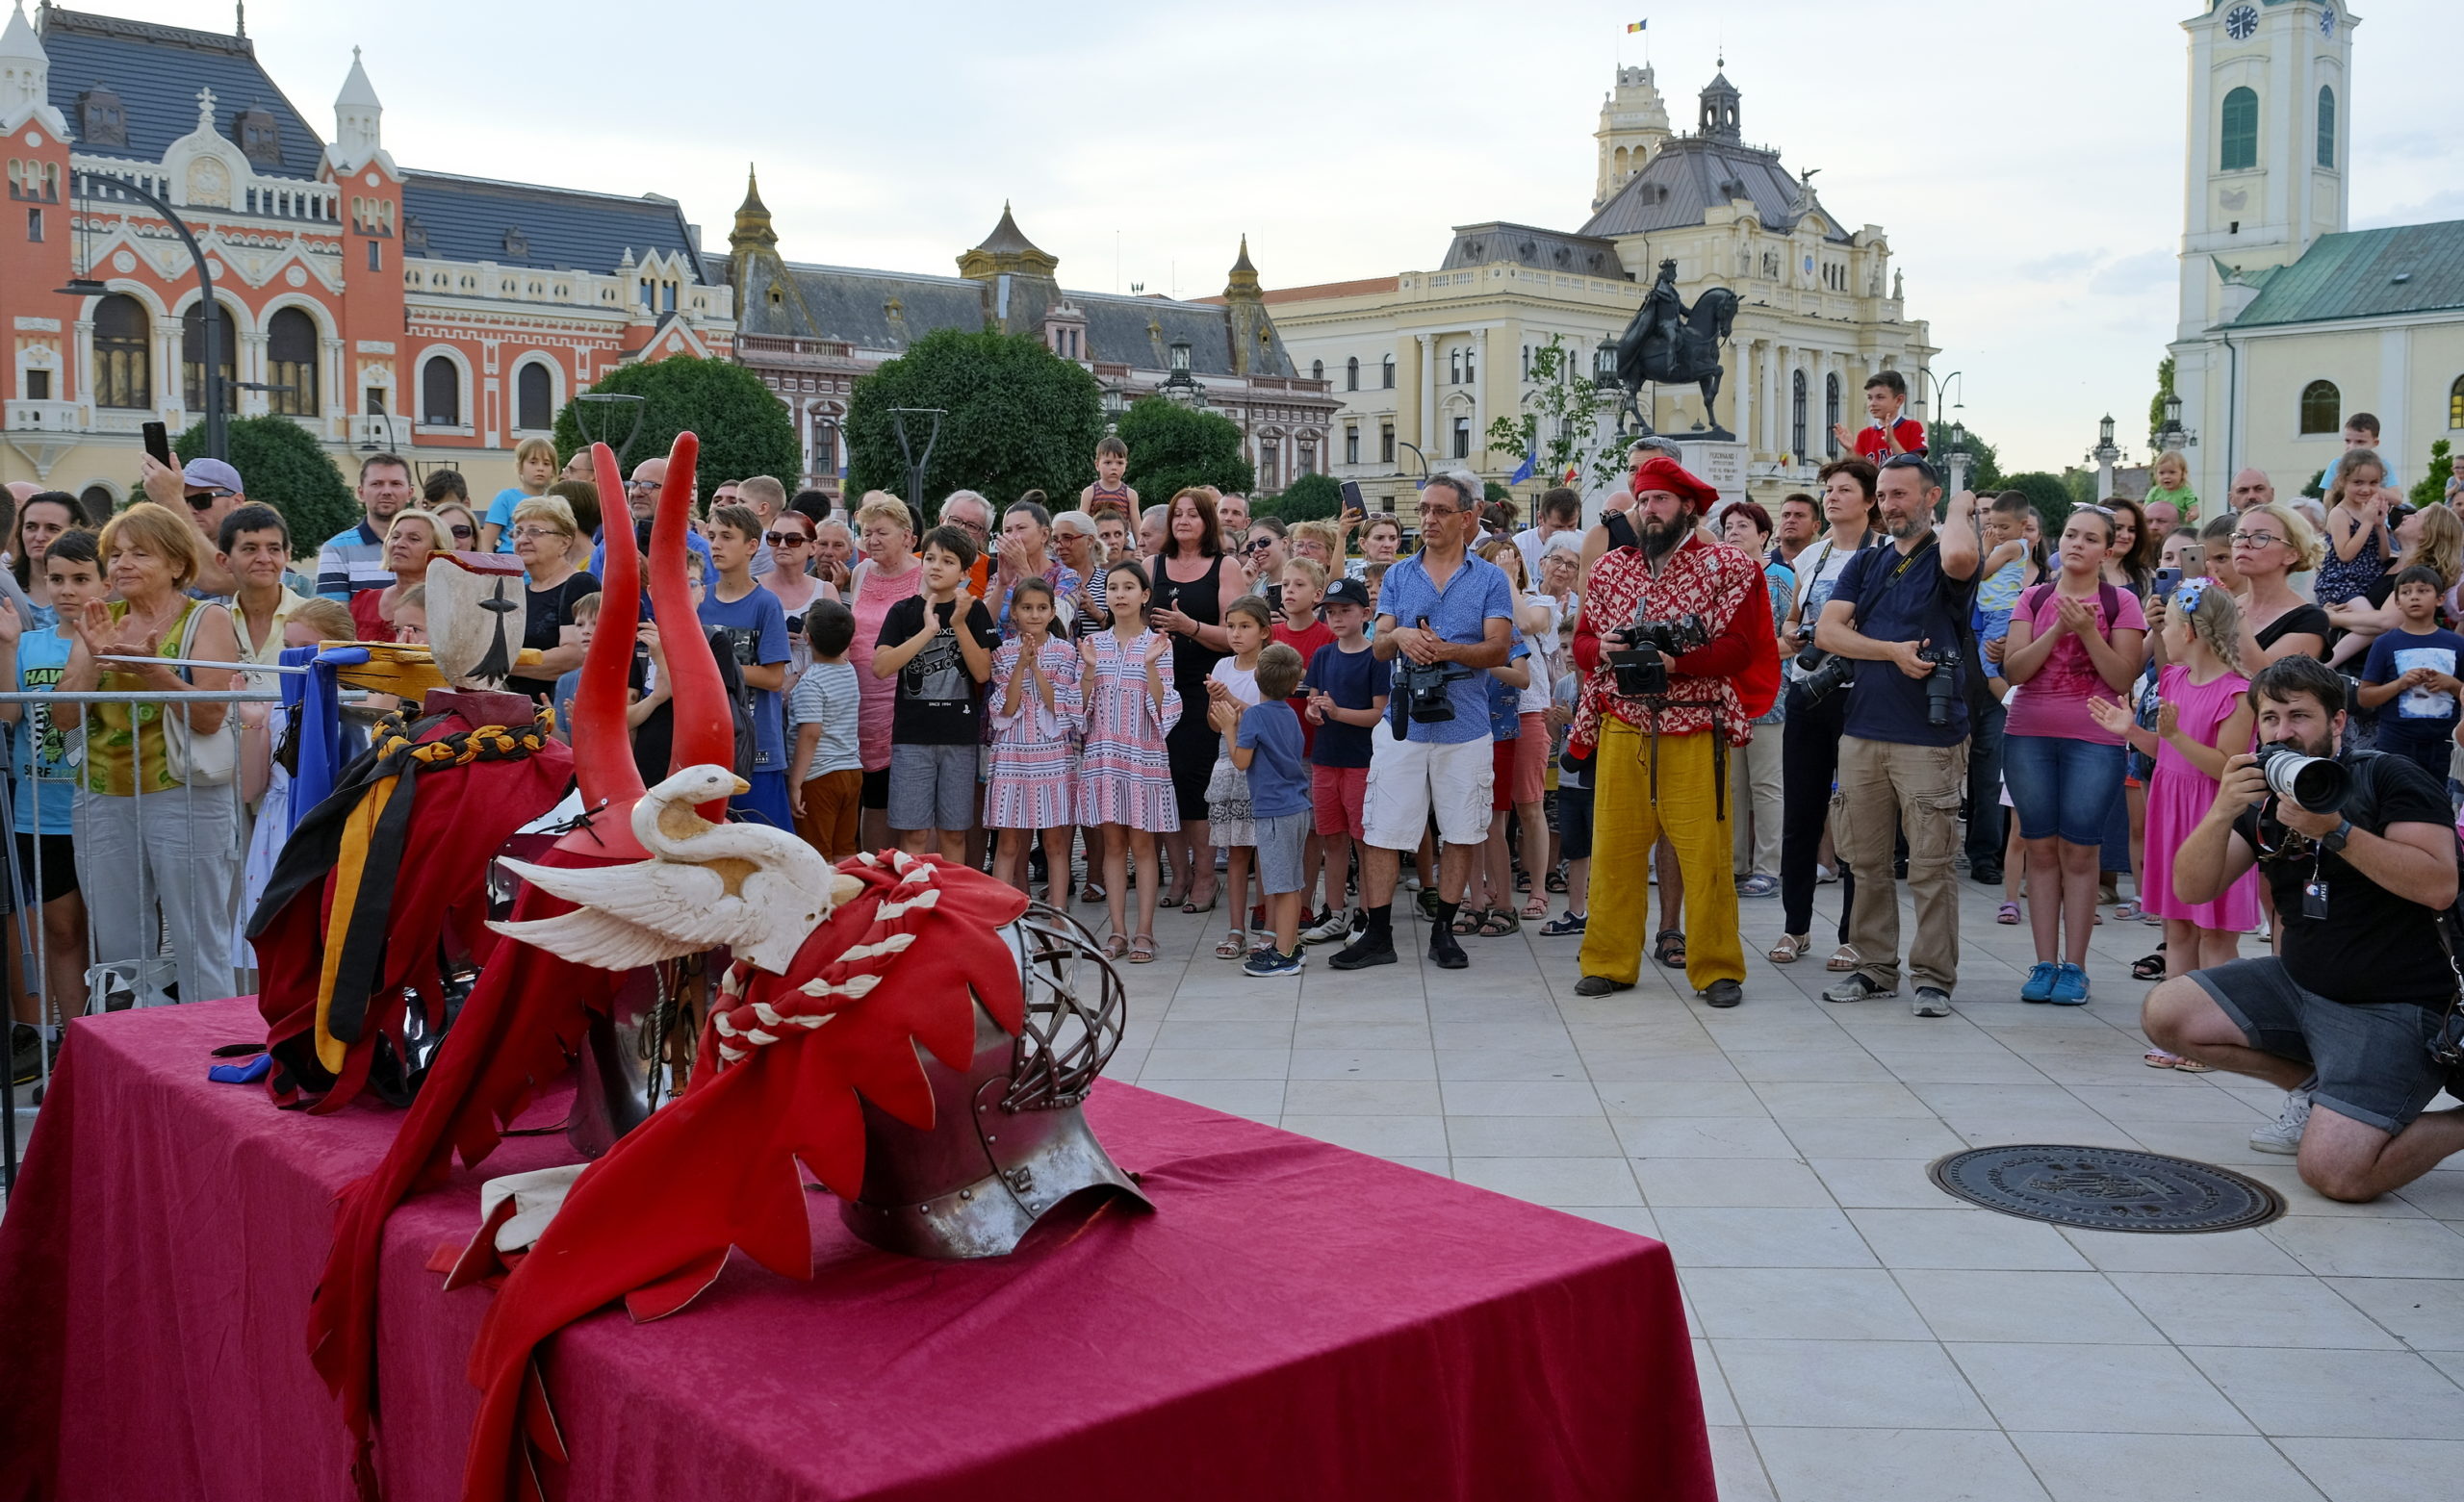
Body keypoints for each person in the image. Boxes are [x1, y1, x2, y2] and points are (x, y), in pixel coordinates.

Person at [2146, 654, 2464, 1196]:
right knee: (2169, 1014)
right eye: (2270, 719)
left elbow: (2438, 884)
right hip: (2304, 985)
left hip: (2395, 1005)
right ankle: (2320, 1090)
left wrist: (2335, 830)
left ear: (2337, 723)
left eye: (2299, 717)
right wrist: (2222, 811)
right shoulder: (2265, 793)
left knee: (2337, 1174)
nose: (2282, 732)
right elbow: (2191, 889)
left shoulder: (2389, 776)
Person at [1568, 456, 1773, 1006]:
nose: (1648, 510)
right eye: (1642, 501)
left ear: (1687, 507)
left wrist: (1675, 663)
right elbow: (1581, 644)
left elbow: (1739, 648)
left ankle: (1718, 968)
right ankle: (1608, 962)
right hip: (1622, 725)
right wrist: (1604, 649)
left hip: (1695, 728)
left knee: (1705, 854)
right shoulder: (1612, 568)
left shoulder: (1727, 566)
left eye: (1659, 500)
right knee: (1613, 851)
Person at [1813, 460, 1983, 1017]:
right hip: (1862, 728)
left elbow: (1960, 557)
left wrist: (1961, 508)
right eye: (1883, 495)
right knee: (1865, 861)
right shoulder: (1866, 560)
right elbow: (1829, 630)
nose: (1890, 504)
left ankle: (1933, 977)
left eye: (1902, 494)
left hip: (1930, 736)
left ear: (1930, 496)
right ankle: (1874, 967)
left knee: (1931, 865)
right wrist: (1890, 651)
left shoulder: (1947, 552)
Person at [59, 501, 244, 1008]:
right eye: (115, 555)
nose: (121, 565)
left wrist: (152, 671)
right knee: (120, 950)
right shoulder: (99, 619)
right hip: (101, 797)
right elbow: (63, 720)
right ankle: (135, 1062)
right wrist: (97, 660)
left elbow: (208, 716)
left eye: (140, 553)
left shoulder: (208, 618)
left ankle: (210, 1052)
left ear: (177, 565)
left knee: (197, 939)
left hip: (184, 796)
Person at [1329, 473, 1515, 973]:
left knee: (1460, 832)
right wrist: (1406, 637)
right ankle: (1379, 934)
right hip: (1403, 721)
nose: (1429, 519)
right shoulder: (1399, 575)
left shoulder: (1490, 578)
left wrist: (1448, 650)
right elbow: (1379, 640)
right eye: (1424, 510)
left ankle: (1444, 931)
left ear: (1466, 518)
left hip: (1467, 724)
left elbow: (1500, 647)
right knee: (1384, 830)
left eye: (1439, 510)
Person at [2000, 506, 2148, 1004]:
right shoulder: (2034, 596)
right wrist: (2056, 630)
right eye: (2069, 535)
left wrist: (2087, 631)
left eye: (2090, 539)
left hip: (2095, 738)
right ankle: (2043, 963)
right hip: (2029, 734)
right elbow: (2016, 671)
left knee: (2080, 852)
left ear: (2108, 551)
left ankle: (2076, 966)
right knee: (2040, 848)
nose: (2076, 544)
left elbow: (2123, 679)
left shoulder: (2121, 602)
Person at [2088, 577, 2256, 989]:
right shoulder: (2175, 680)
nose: (2160, 633)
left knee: (2215, 935)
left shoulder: (2239, 694)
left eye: (2167, 625)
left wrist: (2177, 736)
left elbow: (2225, 767)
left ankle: (2215, 1027)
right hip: (2172, 811)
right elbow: (2169, 753)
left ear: (2190, 631)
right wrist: (2131, 731)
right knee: (2178, 929)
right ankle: (2178, 1026)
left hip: (2213, 820)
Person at [1771, 458, 1881, 966]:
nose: (1833, 497)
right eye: (1829, 490)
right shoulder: (1811, 556)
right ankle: (1796, 927)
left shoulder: (1884, 555)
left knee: (1859, 818)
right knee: (1801, 814)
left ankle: (1853, 932)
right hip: (1806, 689)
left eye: (1844, 490)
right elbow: (1793, 622)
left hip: (1862, 693)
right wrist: (1793, 635)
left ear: (1870, 499)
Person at [2, 527, 99, 1060]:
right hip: (41, 815)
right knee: (62, 933)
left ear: (105, 582)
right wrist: (8, 645)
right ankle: (74, 1046)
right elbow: (8, 714)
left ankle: (119, 1041)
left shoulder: (118, 641)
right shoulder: (31, 641)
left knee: (112, 934)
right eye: (56, 578)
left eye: (81, 579)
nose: (66, 590)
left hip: (104, 808)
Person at [1148, 487, 1248, 910]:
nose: (1184, 520)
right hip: (1155, 690)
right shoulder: (1151, 565)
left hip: (1202, 688)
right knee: (1162, 783)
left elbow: (1235, 635)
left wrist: (1190, 627)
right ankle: (1179, 875)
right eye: (1177, 514)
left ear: (1208, 521)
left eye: (1193, 514)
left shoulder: (1224, 567)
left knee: (1196, 784)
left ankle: (1206, 877)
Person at [1077, 562, 1181, 961]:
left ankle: (1145, 932)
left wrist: (1152, 663)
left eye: (1128, 587)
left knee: (1143, 845)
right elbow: (1080, 708)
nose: (1119, 594)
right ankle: (1117, 931)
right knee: (1113, 845)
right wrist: (1087, 669)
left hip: (1143, 756)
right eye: (1113, 588)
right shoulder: (1093, 645)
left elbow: (1164, 706)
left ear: (1144, 595)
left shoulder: (1159, 644)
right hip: (1103, 758)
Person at [873, 524, 997, 860]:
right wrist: (928, 632)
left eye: (947, 560)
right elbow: (881, 666)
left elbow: (983, 672)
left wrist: (956, 623)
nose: (936, 566)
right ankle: (914, 901)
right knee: (913, 833)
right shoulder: (904, 611)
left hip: (958, 737)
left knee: (953, 834)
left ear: (965, 571)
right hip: (911, 737)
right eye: (930, 558)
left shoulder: (974, 610)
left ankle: (949, 907)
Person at [1215, 642, 1310, 978]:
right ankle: (1291, 943)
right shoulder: (1289, 714)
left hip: (1274, 812)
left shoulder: (1254, 715)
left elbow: (1241, 761)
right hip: (1298, 807)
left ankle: (1284, 955)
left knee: (1281, 885)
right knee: (1292, 882)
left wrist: (1229, 729)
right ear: (1295, 683)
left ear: (1256, 676)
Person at [985, 577, 1081, 902]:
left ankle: (1058, 921)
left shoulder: (1066, 651)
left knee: (1055, 843)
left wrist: (1035, 667)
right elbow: (1007, 707)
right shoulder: (1002, 653)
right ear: (1014, 612)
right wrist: (1020, 666)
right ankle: (1003, 916)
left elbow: (1059, 706)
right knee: (1009, 842)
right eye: (1027, 608)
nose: (1035, 615)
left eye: (1042, 608)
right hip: (1013, 753)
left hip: (1052, 754)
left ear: (1053, 611)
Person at [1301, 576, 1386, 943]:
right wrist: (1315, 713)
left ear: (1365, 613)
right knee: (1331, 837)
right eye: (1331, 612)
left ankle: (1366, 914)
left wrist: (1336, 712)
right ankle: (1333, 911)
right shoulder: (1323, 655)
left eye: (1345, 611)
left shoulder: (1376, 657)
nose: (1336, 618)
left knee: (1363, 841)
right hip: (1325, 758)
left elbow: (1377, 714)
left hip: (1360, 760)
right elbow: (1314, 702)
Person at [700, 504, 793, 828]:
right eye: (712, 536)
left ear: (752, 546)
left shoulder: (765, 603)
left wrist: (713, 671)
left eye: (727, 537)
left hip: (757, 749)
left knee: (767, 848)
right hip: (706, 745)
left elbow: (773, 677)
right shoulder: (698, 600)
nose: (716, 544)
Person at [1721, 501, 1792, 900]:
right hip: (1726, 697)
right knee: (1732, 786)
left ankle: (1768, 867)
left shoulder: (1779, 577)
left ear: (1763, 535)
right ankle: (1733, 863)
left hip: (1768, 696)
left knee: (1766, 784)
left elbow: (1790, 638)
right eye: (1728, 525)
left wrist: (1748, 657)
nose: (1733, 532)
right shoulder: (1719, 577)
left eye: (1743, 525)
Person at [846, 495, 923, 853]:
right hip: (861, 699)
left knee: (909, 797)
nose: (871, 540)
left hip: (906, 700)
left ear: (907, 536)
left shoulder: (924, 576)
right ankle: (874, 874)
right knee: (872, 794)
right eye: (866, 532)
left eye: (881, 532)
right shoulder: (860, 572)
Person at [1204, 596, 1272, 960]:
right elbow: (1214, 722)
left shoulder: (1269, 666)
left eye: (1244, 626)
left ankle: (1266, 923)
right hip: (1227, 760)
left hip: (1263, 764)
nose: (1235, 633)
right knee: (1235, 850)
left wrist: (1228, 699)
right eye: (1230, 626)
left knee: (1264, 850)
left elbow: (1265, 719)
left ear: (1264, 632)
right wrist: (1220, 706)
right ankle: (1235, 928)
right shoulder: (1221, 665)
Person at [2358, 567, 2464, 780]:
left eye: (2423, 590)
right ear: (2397, 602)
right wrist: (2400, 684)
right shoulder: (2384, 643)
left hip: (2444, 743)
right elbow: (2365, 697)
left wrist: (2451, 684)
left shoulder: (2457, 643)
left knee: (2441, 804)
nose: (2414, 597)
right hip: (2397, 741)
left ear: (2440, 599)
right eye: (2406, 592)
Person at [785, 598, 864, 862]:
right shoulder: (849, 671)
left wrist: (795, 783)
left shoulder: (810, 683)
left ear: (807, 637)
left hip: (818, 776)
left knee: (817, 857)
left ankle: (821, 904)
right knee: (846, 852)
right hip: (851, 771)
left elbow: (811, 733)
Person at [504, 496, 598, 702]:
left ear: (564, 542)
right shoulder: (517, 592)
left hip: (555, 714)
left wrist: (496, 665)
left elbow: (574, 657)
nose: (523, 539)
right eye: (518, 532)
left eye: (535, 531)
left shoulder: (579, 584)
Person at [588, 455, 712, 595]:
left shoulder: (701, 550)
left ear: (674, 491)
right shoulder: (608, 548)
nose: (636, 493)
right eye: (633, 484)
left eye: (648, 486)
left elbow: (711, 610)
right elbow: (588, 606)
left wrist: (655, 583)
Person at [2231, 502, 2330, 673]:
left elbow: (2263, 678)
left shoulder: (2310, 619)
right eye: (2239, 536)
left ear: (2292, 554)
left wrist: (2228, 611)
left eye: (2261, 537)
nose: (2245, 544)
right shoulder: (2230, 604)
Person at [218, 504, 307, 669]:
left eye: (274, 549)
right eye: (250, 549)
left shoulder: (316, 618)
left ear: (286, 556)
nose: (264, 558)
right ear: (224, 561)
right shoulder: (213, 624)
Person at [318, 452, 416, 601]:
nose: (386, 492)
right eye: (376, 484)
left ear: (410, 493)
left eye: (396, 484)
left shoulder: (428, 546)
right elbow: (333, 620)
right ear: (361, 492)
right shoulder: (337, 550)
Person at [2316, 446, 2396, 608]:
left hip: (2370, 582)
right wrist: (2367, 523)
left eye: (2373, 483)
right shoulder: (2340, 513)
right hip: (2342, 585)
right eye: (2358, 482)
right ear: (2342, 481)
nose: (2366, 489)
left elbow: (2383, 557)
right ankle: (2331, 625)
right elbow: (2345, 554)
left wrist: (2380, 527)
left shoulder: (2367, 510)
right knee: (2371, 621)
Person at [989, 496, 1080, 639]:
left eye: (1021, 528)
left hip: (1053, 658)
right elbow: (984, 626)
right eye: (1008, 530)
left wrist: (1023, 568)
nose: (1013, 537)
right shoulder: (999, 577)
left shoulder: (1067, 576)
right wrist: (1001, 585)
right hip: (1005, 658)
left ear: (1044, 535)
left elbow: (1059, 621)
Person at [350, 509, 447, 641]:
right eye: (395, 537)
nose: (399, 544)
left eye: (414, 539)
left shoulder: (447, 604)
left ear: (437, 551)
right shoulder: (364, 601)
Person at [163, 456, 248, 598]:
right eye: (183, 501)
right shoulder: (170, 555)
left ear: (237, 502)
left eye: (202, 500)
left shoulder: (259, 550)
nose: (190, 509)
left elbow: (216, 580)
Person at [758, 511, 826, 683]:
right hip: (764, 692)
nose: (782, 545)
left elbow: (840, 653)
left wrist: (797, 678)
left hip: (814, 693)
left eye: (793, 539)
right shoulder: (754, 588)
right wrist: (771, 641)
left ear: (813, 547)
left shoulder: (825, 591)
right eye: (774, 537)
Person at [10, 491, 86, 628]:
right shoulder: (6, 587)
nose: (39, 537)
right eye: (31, 527)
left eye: (52, 528)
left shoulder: (99, 588)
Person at [482, 436, 558, 551]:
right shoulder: (505, 498)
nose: (540, 468)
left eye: (546, 464)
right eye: (533, 462)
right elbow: (486, 544)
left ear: (553, 470)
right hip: (510, 564)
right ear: (520, 467)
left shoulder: (556, 501)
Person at [1835, 370, 1925, 464]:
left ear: (1899, 400)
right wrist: (1850, 450)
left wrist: (1892, 442)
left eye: (1880, 397)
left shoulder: (1912, 427)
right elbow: (1858, 472)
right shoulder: (1864, 435)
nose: (1872, 403)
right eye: (1870, 398)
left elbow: (1915, 467)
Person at [550, 592, 603, 741]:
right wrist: (549, 725)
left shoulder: (627, 677)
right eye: (579, 624)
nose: (586, 631)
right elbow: (567, 744)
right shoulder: (565, 681)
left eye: (595, 623)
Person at [1051, 508, 1108, 634]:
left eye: (1067, 538)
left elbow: (1128, 632)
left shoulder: (1109, 581)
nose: (1059, 545)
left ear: (1090, 540)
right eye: (1055, 539)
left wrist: (1097, 613)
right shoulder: (1048, 580)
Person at [1513, 487, 1583, 586]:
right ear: (1540, 518)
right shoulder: (1519, 545)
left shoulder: (1586, 545)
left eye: (1571, 526)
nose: (1565, 533)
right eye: (1558, 527)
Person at [736, 476, 788, 578]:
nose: (736, 506)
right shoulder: (781, 540)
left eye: (742, 501)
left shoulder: (756, 542)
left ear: (763, 508)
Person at [1081, 434, 1138, 515]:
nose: (1114, 467)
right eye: (1108, 462)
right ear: (1097, 465)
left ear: (1126, 465)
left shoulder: (1130, 495)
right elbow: (1081, 523)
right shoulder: (1089, 493)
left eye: (1120, 463)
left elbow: (1137, 526)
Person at [1769, 493, 1820, 573]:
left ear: (1816, 526)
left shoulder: (1825, 565)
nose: (1790, 520)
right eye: (1786, 515)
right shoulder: (1761, 565)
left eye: (1799, 515)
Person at [2145, 450, 2198, 527]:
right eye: (2162, 473)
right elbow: (2146, 510)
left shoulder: (2186, 492)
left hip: (2181, 530)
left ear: (2183, 473)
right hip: (2159, 529)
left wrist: (2192, 515)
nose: (2166, 476)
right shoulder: (2155, 491)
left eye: (2172, 472)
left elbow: (2195, 510)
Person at [810, 520, 856, 601]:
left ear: (850, 552)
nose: (829, 552)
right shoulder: (800, 584)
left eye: (838, 545)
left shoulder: (860, 586)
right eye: (823, 544)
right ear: (812, 548)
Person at [1350, 512, 1403, 580]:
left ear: (1398, 543)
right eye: (1379, 538)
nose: (1387, 545)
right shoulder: (1350, 575)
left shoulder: (1409, 574)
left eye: (1392, 538)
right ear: (1363, 543)